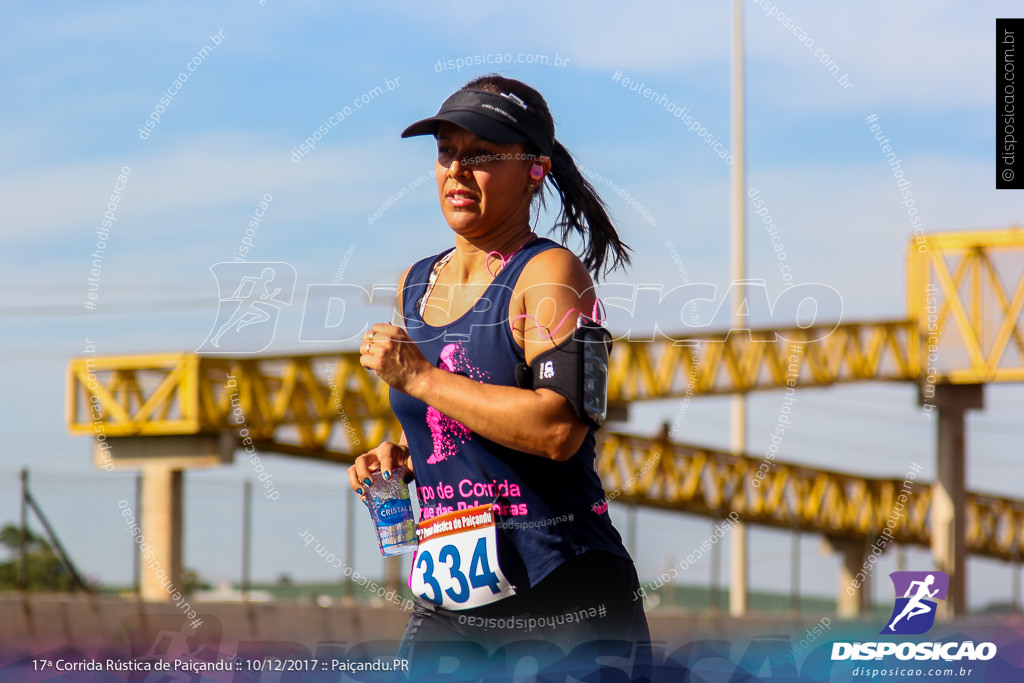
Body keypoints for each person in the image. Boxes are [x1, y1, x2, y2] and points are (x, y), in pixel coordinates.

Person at [348, 74, 650, 681]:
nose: (458, 170)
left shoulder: (552, 273)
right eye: (447, 153)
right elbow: (464, 417)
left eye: (482, 155)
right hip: (452, 605)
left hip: (563, 591)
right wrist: (405, 454)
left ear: (534, 170)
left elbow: (557, 429)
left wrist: (421, 379)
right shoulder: (416, 282)